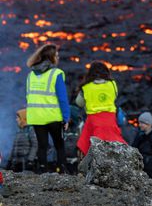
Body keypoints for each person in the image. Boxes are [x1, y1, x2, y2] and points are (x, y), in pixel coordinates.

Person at [25, 43, 70, 173]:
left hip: (36, 116)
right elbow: (62, 98)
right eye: (56, 55)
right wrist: (66, 117)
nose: (58, 57)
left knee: (42, 146)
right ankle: (62, 170)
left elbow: (28, 96)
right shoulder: (56, 74)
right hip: (53, 116)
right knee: (59, 145)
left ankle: (42, 171)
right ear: (51, 57)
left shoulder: (31, 75)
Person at [75, 61, 127, 156]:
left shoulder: (86, 87)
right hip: (110, 120)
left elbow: (79, 103)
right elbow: (114, 96)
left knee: (88, 146)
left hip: (93, 121)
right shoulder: (112, 84)